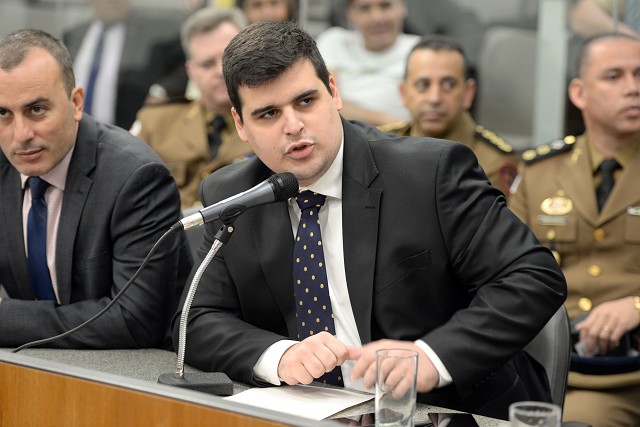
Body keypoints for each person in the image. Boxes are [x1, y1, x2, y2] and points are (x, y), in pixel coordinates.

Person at [174, 20, 567, 420]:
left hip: (443, 411)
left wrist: (432, 356)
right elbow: (197, 319)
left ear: (334, 92)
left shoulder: (429, 174)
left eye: (306, 101)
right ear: (241, 124)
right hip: (307, 412)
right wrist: (279, 355)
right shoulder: (235, 196)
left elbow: (533, 276)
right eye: (269, 113)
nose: (293, 126)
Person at [0, 29, 191, 349]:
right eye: (3, 113)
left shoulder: (136, 177)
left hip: (128, 366)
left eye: (37, 110)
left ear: (76, 103)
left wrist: (7, 318)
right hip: (31, 360)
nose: (21, 134)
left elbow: (135, 320)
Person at [510, 33, 640, 427]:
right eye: (614, 76)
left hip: (623, 374)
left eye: (639, 75)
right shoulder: (540, 172)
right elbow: (506, 274)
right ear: (579, 93)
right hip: (545, 360)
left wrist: (636, 305)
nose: (633, 88)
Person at [131, 8, 253, 209]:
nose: (220, 71)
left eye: (228, 58)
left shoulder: (277, 120)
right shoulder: (154, 123)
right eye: (207, 64)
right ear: (191, 72)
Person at [380, 35, 518, 198]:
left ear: (468, 93)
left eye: (448, 85)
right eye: (423, 85)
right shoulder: (378, 147)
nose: (435, 98)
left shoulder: (495, 161)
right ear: (403, 93)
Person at [63, 0, 184, 129]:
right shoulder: (73, 36)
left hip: (128, 129)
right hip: (76, 130)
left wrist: (161, 90)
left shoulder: (153, 33)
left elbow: (183, 66)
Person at [315, 0, 419, 126]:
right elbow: (326, 100)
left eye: (385, 6)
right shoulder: (334, 41)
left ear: (403, 7)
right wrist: (394, 124)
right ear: (350, 14)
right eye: (365, 8)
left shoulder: (421, 51)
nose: (377, 17)